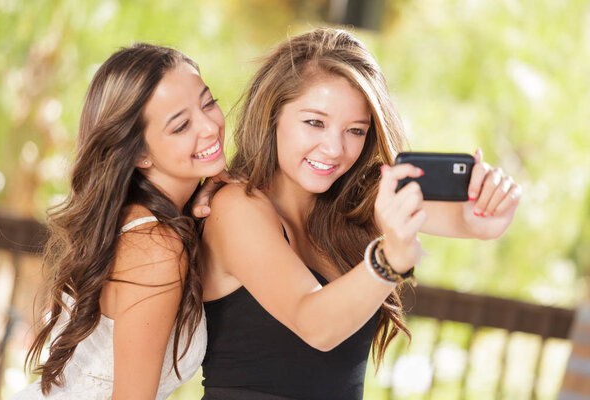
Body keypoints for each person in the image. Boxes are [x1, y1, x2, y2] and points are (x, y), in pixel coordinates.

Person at [199, 28, 522, 400]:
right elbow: (315, 325)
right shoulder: (236, 207)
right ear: (272, 115)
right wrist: (389, 260)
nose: (334, 148)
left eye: (355, 130)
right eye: (315, 123)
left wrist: (490, 208)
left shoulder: (352, 205)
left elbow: (466, 219)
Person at [11, 43, 227, 399]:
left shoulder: (138, 221)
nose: (208, 126)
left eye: (208, 102)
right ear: (140, 152)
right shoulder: (156, 247)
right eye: (181, 125)